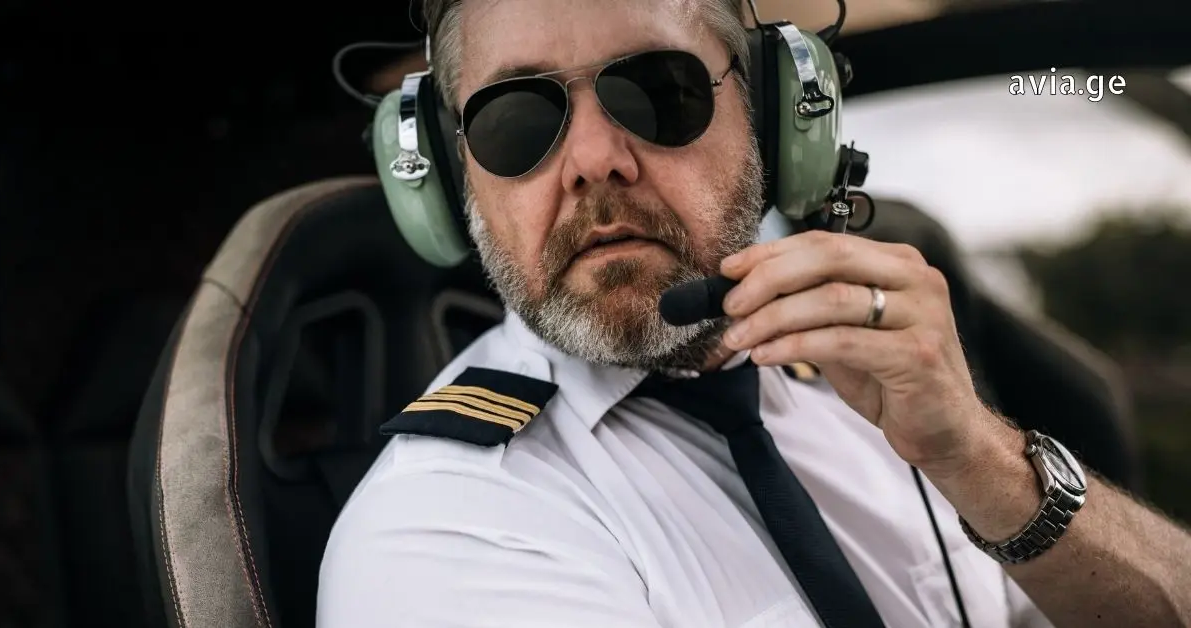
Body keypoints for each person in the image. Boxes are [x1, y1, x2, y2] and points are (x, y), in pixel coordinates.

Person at [317, 0, 1191, 625]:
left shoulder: (862, 393)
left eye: (658, 90)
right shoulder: (448, 531)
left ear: (777, 124)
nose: (592, 158)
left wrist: (979, 455)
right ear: (443, 175)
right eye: (514, 120)